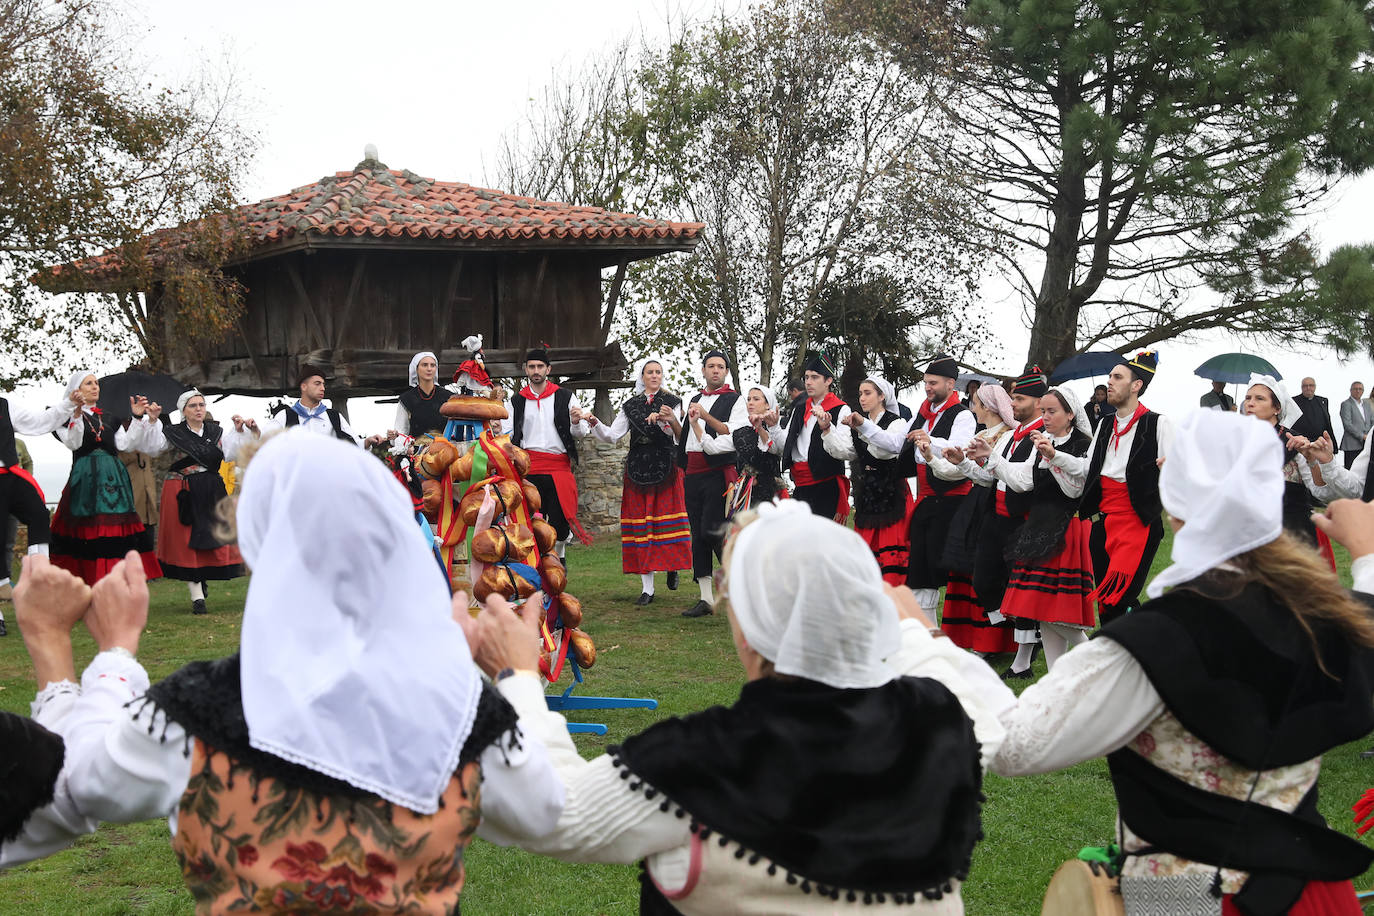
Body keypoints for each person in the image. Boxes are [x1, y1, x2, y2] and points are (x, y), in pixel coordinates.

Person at [45, 433, 562, 910]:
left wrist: (110, 654)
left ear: (255, 544)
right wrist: (515, 676)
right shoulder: (461, 709)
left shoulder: (193, 710)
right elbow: (542, 808)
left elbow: (79, 781)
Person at [462, 499, 1011, 913]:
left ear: (750, 622)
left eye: (729, 586)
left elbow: (553, 812)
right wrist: (917, 635)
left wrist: (516, 676)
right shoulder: (942, 715)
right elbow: (994, 710)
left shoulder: (705, 758)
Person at [987, 411, 1374, 914]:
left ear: (1176, 510)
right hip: (1316, 896)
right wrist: (1365, 554)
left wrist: (923, 638)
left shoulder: (1154, 639)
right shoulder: (1320, 614)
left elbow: (1014, 745)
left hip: (1193, 899)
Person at [850, 354, 976, 625]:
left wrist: (932, 441)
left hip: (955, 502)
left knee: (962, 575)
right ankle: (929, 638)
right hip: (927, 500)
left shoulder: (962, 414)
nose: (928, 388)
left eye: (933, 383)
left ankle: (983, 639)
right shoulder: (922, 412)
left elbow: (960, 449)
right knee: (920, 574)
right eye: (926, 383)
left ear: (950, 383)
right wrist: (864, 425)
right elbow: (896, 443)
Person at [979, 386, 1094, 670]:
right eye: (1042, 411)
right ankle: (1057, 679)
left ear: (1070, 414)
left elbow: (1076, 485)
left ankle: (1098, 661)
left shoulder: (1084, 443)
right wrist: (991, 458)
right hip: (1038, 528)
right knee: (1042, 613)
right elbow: (1023, 481)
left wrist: (1053, 457)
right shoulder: (1041, 440)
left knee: (1054, 613)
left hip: (1065, 529)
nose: (1044, 417)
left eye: (1051, 411)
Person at [954, 367, 1049, 677]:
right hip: (996, 519)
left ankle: (1022, 663)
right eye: (1012, 397)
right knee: (984, 581)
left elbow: (1022, 482)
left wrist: (991, 459)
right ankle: (1028, 636)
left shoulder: (1041, 437)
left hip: (1021, 522)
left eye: (1019, 398)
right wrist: (965, 464)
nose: (1013, 402)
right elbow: (990, 478)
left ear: (1037, 403)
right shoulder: (1010, 436)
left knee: (1020, 590)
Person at [1073, 350, 1171, 625]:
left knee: (1119, 598)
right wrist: (1053, 456)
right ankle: (1130, 647)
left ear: (1136, 385)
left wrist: (1170, 473)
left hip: (1138, 522)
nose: (1109, 383)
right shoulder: (1104, 423)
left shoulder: (1158, 423)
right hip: (1103, 523)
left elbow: (1178, 474)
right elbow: (1086, 469)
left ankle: (1136, 644)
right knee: (1107, 605)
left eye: (1117, 377)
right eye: (1110, 377)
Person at [585, 357, 691, 606]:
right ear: (642, 377)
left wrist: (668, 421)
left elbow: (679, 438)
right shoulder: (630, 406)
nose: (654, 376)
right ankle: (647, 589)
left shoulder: (672, 403)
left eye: (658, 372)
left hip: (666, 467)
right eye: (649, 372)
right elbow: (612, 436)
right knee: (642, 526)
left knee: (664, 523)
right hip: (637, 468)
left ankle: (671, 567)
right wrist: (594, 422)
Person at [926, 383, 1019, 656]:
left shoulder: (1006, 436)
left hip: (993, 506)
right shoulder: (983, 434)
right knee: (967, 571)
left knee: (988, 574)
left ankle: (996, 641)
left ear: (987, 407)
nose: (972, 406)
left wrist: (956, 463)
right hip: (976, 504)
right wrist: (932, 457)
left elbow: (992, 477)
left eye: (975, 402)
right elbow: (962, 471)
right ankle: (973, 638)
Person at [140, 390, 249, 614]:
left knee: (214, 537)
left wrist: (238, 432)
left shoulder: (215, 431)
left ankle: (203, 580)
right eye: (193, 406)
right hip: (184, 489)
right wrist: (152, 421)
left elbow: (230, 454)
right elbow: (153, 447)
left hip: (211, 488)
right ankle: (197, 597)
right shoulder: (173, 433)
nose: (199, 409)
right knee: (187, 541)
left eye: (201, 404)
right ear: (183, 411)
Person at [49, 372, 161, 586]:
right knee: (87, 527)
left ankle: (114, 579)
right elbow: (73, 443)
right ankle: (88, 580)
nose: (94, 387)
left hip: (113, 478)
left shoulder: (110, 417)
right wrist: (76, 414)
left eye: (96, 383)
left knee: (114, 527)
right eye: (88, 383)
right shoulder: (65, 417)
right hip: (86, 476)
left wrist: (137, 418)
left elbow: (125, 445)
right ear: (77, 389)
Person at [509, 346, 595, 560]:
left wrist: (576, 422)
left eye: (540, 366)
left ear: (548, 369)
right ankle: (536, 564)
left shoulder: (565, 397)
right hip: (529, 468)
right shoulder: (516, 401)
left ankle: (559, 559)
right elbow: (509, 434)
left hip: (558, 467)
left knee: (559, 520)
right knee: (530, 520)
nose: (536, 370)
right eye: (532, 367)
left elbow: (581, 432)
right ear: (525, 370)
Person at [0, 394, 72, 636]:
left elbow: (40, 422)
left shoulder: (5, 405)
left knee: (39, 514)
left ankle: (37, 577)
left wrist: (68, 404)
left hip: (10, 475)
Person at [828, 376, 910, 585]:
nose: (862, 398)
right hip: (869, 494)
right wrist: (826, 429)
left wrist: (863, 428)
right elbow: (847, 451)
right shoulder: (859, 422)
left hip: (892, 494)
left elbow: (887, 448)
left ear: (882, 396)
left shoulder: (897, 422)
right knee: (866, 560)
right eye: (860, 394)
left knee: (891, 560)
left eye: (868, 393)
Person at [675, 350, 739, 618]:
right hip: (693, 472)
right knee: (697, 535)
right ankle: (705, 598)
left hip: (717, 472)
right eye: (711, 366)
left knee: (712, 531)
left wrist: (704, 416)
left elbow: (731, 432)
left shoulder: (735, 400)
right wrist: (674, 422)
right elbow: (688, 436)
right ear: (703, 370)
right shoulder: (694, 398)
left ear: (726, 372)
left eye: (720, 367)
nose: (715, 371)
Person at [780, 352, 851, 522]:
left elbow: (845, 451)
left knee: (823, 543)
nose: (808, 382)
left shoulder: (841, 409)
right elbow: (785, 444)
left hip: (826, 487)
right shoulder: (799, 408)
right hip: (801, 485)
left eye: (815, 377)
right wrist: (774, 425)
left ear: (828, 381)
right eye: (806, 377)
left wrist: (826, 428)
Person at [254, 364, 382, 446]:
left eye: (323, 384)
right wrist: (254, 430)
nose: (322, 388)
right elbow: (263, 442)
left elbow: (353, 443)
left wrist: (367, 441)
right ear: (303, 387)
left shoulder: (333, 416)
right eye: (317, 384)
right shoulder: (285, 416)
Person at [724, 382, 785, 516]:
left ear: (767, 404)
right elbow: (715, 446)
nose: (750, 402)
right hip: (745, 492)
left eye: (756, 399)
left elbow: (776, 451)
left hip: (770, 492)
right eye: (749, 399)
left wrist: (760, 428)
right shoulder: (741, 431)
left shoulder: (777, 427)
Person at [391, 350, 449, 439]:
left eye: (432, 365)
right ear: (416, 369)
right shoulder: (407, 399)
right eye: (424, 365)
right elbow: (401, 432)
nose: (429, 369)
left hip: (446, 449)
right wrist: (394, 436)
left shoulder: (448, 397)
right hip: (416, 450)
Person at [1291, 375, 1335, 443]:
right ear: (1301, 387)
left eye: (1311, 385)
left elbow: (1327, 422)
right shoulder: (1293, 401)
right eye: (1305, 386)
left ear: (1315, 387)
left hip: (1320, 442)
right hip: (1301, 442)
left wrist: (1333, 444)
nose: (1308, 388)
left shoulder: (1322, 401)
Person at [1339, 381, 1371, 469]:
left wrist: (1369, 436)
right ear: (1351, 390)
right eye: (1355, 389)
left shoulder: (1367, 405)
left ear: (1363, 391)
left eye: (1360, 389)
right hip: (1352, 445)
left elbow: (1371, 421)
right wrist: (1362, 436)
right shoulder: (1346, 404)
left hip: (1366, 445)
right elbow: (1347, 424)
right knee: (1351, 470)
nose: (1358, 391)